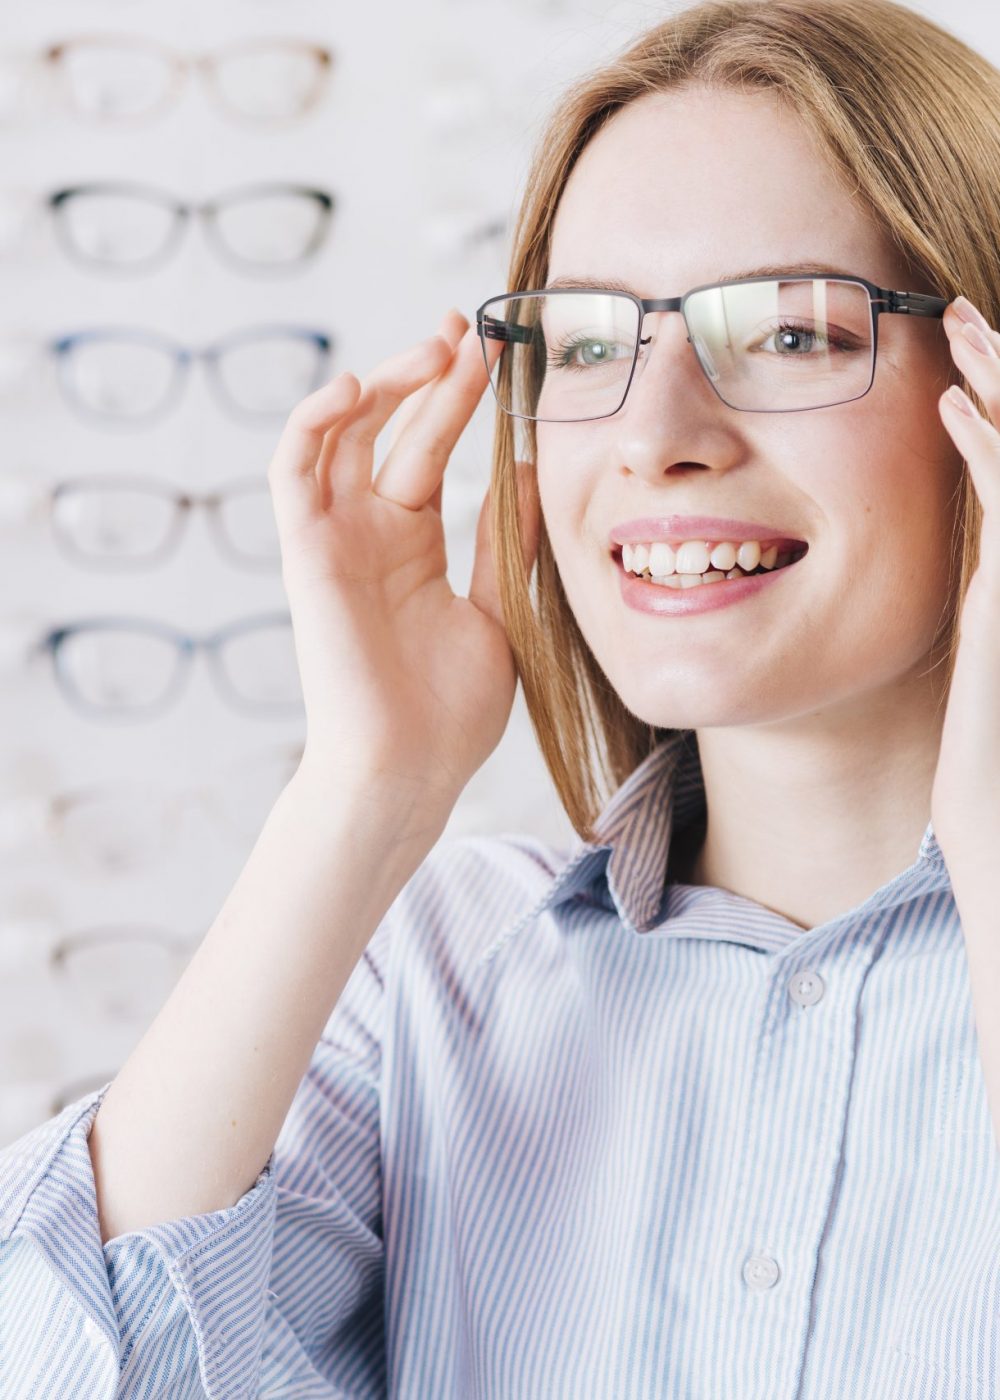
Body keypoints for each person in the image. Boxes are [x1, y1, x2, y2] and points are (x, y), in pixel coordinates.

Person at [2, 0, 999, 1394]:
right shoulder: (438, 979)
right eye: (588, 345)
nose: (656, 438)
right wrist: (366, 789)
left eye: (787, 333)